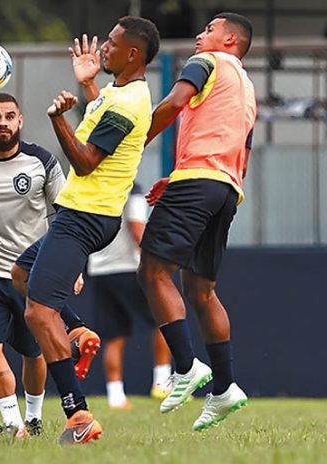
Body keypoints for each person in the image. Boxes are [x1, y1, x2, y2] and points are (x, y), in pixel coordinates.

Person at [18, 16, 160, 445]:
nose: (104, 49)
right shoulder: (115, 94)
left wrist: (58, 119)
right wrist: (88, 87)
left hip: (87, 217)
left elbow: (85, 161)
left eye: (113, 43)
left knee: (39, 314)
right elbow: (101, 120)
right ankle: (77, 330)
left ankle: (78, 416)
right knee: (22, 273)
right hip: (80, 212)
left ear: (133, 54)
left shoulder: (127, 103)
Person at [0, 92, 94, 438]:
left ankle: (34, 417)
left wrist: (74, 265)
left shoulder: (43, 162)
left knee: (31, 352)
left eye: (10, 116)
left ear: (20, 121)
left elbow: (66, 216)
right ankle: (12, 423)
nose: (3, 123)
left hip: (32, 274)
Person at [137, 12, 256, 431]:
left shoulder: (206, 63)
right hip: (225, 188)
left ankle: (186, 367)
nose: (199, 35)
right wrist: (181, 175)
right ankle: (224, 388)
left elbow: (172, 104)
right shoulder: (246, 87)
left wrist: (128, 148)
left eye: (209, 30)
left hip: (201, 181)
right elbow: (237, 146)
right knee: (201, 290)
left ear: (230, 41)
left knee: (152, 271)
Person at [85, 183, 171, 409]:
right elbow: (136, 230)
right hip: (130, 270)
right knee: (167, 319)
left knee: (114, 335)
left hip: (100, 270)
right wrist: (157, 259)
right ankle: (162, 384)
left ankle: (116, 396)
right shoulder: (131, 189)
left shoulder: (93, 190)